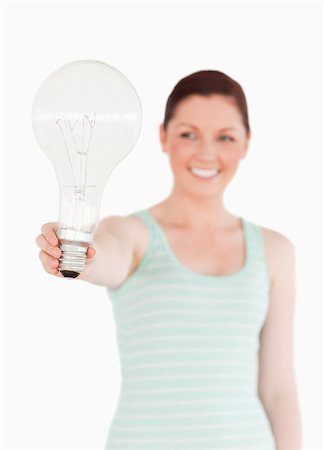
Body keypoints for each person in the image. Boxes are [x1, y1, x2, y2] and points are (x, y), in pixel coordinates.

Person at [36, 70, 302, 449]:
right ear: (163, 137)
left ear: (246, 144)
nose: (206, 153)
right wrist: (76, 255)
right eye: (188, 134)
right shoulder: (133, 234)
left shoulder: (275, 251)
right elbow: (107, 255)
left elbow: (278, 389)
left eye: (225, 137)